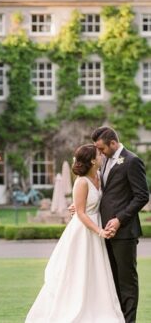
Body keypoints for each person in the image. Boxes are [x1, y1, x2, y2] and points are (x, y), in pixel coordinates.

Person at [26, 144, 125, 323]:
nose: (102, 156)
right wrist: (99, 231)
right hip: (84, 231)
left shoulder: (99, 176)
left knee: (97, 271)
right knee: (79, 270)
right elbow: (80, 213)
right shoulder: (81, 182)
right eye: (99, 154)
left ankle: (98, 307)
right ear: (93, 160)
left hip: (97, 226)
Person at [90, 126, 149, 323]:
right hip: (105, 231)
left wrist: (119, 219)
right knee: (111, 278)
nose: (99, 152)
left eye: (102, 148)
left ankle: (129, 321)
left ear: (113, 143)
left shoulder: (132, 161)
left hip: (124, 232)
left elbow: (142, 196)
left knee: (126, 280)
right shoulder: (104, 161)